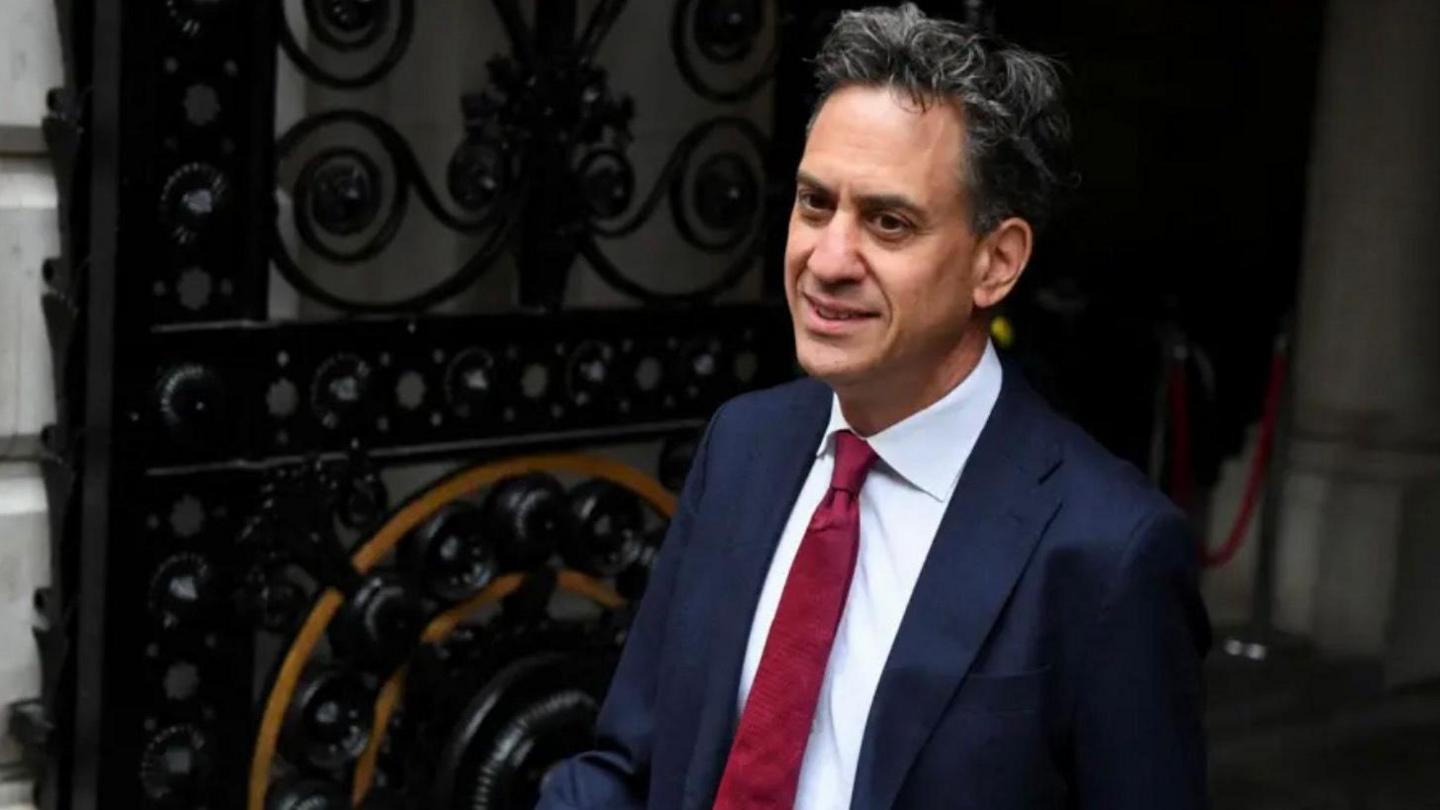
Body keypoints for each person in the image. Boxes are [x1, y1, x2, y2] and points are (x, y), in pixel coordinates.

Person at [536, 5, 1210, 809]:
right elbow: (630, 763)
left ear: (995, 264)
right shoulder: (744, 446)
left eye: (888, 223)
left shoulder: (1108, 551)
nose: (827, 260)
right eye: (815, 205)